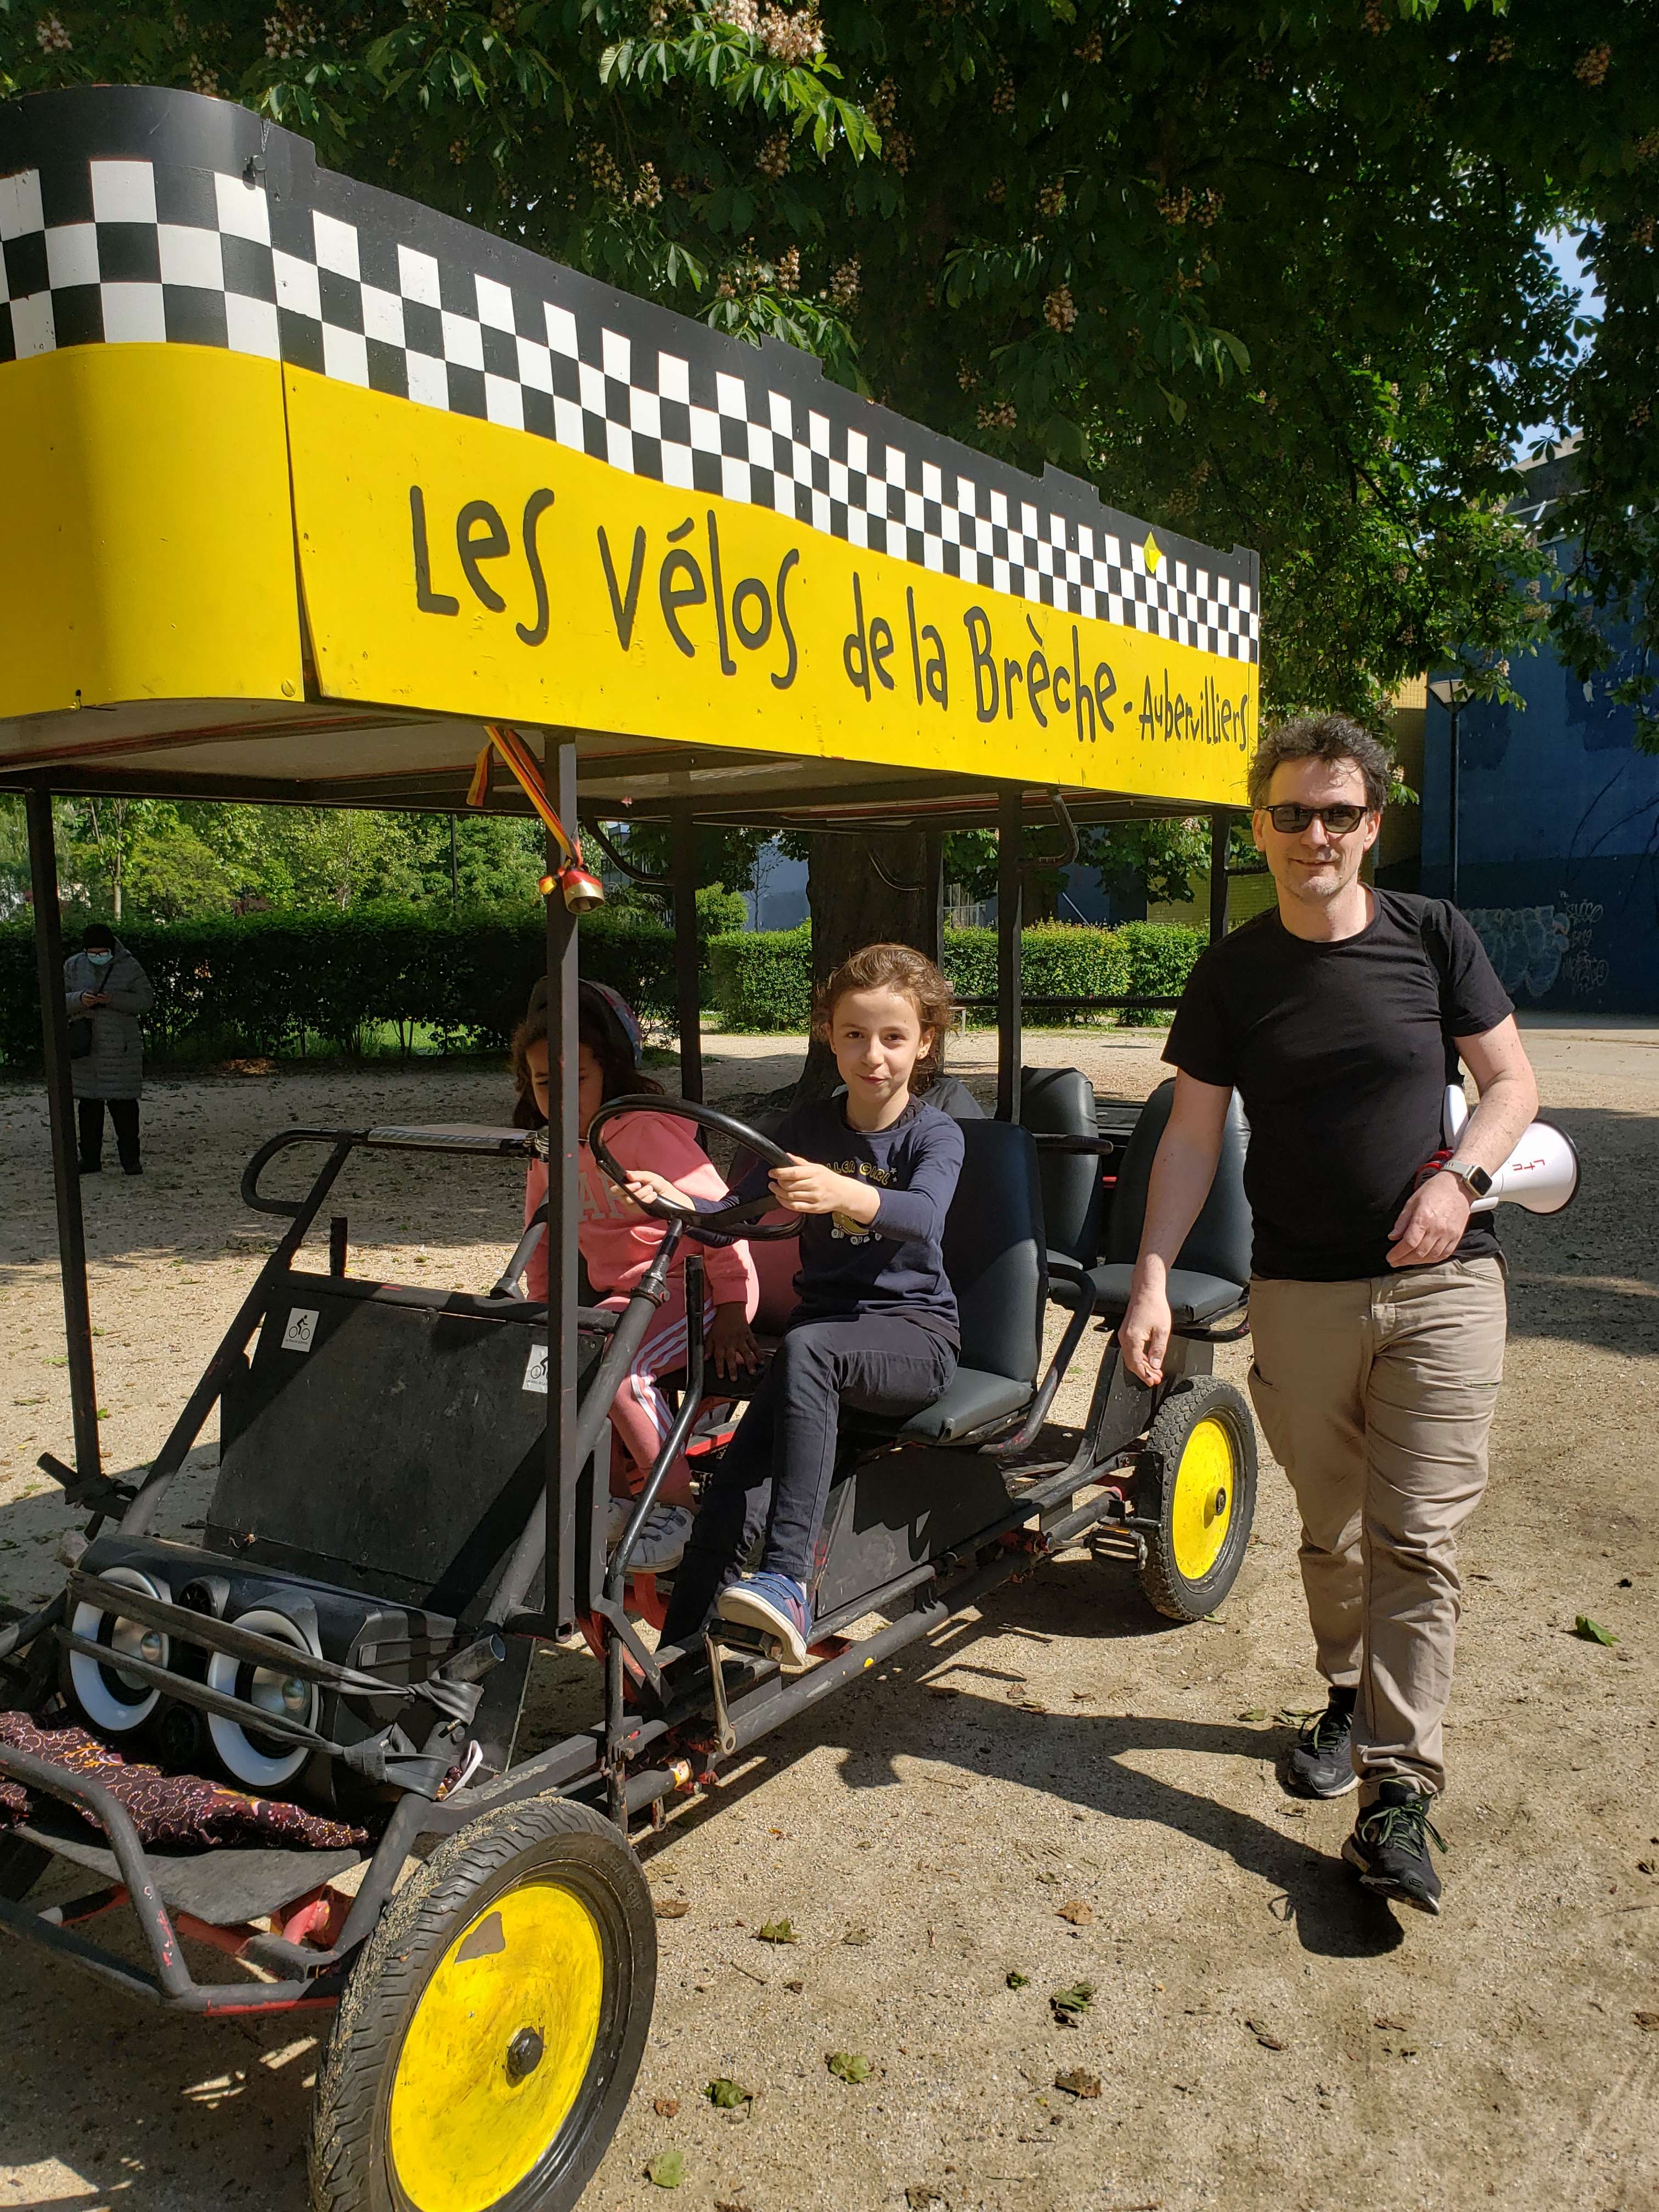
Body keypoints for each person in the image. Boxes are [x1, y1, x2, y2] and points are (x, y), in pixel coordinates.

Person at [1118, 713, 1539, 1916]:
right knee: (1335, 1532)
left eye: (1339, 812)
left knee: (1416, 1539)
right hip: (1298, 1292)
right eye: (1292, 813)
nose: (1316, 834)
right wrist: (1151, 1275)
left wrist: (1459, 1182)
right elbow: (1191, 1136)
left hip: (1445, 1287)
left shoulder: (1433, 935)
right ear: (1260, 827)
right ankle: (1346, 1697)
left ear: (1372, 822)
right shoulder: (1233, 972)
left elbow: (1509, 1082)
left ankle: (1397, 1795)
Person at [641, 942, 965, 1671]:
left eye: (893, 1037)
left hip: (913, 1339)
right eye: (855, 1035)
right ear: (830, 1036)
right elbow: (732, 1215)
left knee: (807, 1347)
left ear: (925, 1043)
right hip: (819, 1352)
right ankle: (677, 1677)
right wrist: (672, 1202)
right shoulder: (805, 1128)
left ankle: (787, 1580)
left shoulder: (934, 1133)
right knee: (732, 1492)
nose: (873, 1056)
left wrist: (844, 1191)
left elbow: (925, 1217)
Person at [512, 979, 759, 1575]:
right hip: (628, 1297)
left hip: (691, 1289)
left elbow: (717, 1218)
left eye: (578, 1080)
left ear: (610, 1072)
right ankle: (614, 1500)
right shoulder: (550, 1151)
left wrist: (732, 1309)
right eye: (545, 1084)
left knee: (616, 1368)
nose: (562, 1099)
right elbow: (543, 1238)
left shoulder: (647, 1131)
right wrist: (543, 1314)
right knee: (560, 1364)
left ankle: (677, 1508)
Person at [63, 923, 155, 1176]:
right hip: (87, 1047)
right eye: (92, 952)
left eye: (102, 952)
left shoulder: (129, 966)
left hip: (121, 1047)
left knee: (125, 1108)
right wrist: (79, 999)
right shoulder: (73, 965)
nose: (97, 956)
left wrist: (113, 999)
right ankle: (90, 1159)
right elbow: (57, 999)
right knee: (88, 1107)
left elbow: (145, 1001)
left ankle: (131, 1161)